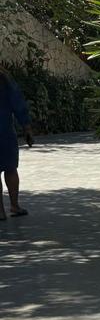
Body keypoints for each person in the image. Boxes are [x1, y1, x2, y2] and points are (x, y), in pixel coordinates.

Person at [0, 68, 33, 222]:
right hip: (5, 131)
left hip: (5, 130)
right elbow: (18, 102)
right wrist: (26, 126)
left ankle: (0, 211)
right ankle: (14, 205)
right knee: (11, 169)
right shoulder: (4, 79)